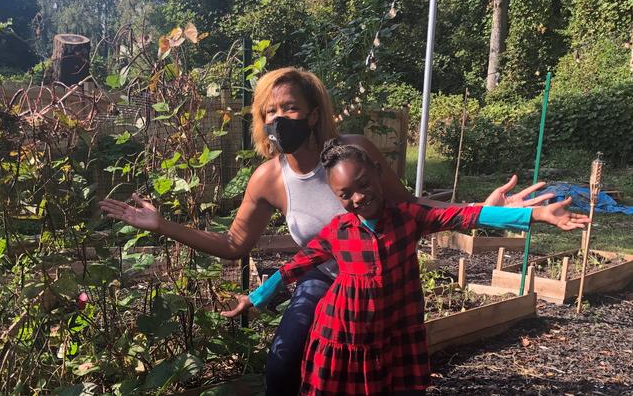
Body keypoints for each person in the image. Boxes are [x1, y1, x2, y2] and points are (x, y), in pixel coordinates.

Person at [98, 67, 554, 395]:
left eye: (290, 107)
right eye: (270, 111)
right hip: (323, 277)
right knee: (281, 365)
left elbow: (409, 206)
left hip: (382, 275)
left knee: (388, 368)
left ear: (313, 114)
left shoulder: (354, 152)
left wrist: (483, 210)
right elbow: (234, 245)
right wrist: (161, 225)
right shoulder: (268, 178)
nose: (280, 119)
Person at [221, 140, 589, 395]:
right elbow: (293, 268)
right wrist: (252, 299)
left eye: (363, 184)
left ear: (377, 173)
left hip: (393, 331)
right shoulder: (338, 231)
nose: (358, 198)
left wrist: (535, 214)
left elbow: (462, 215)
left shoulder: (409, 218)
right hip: (344, 335)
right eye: (345, 195)